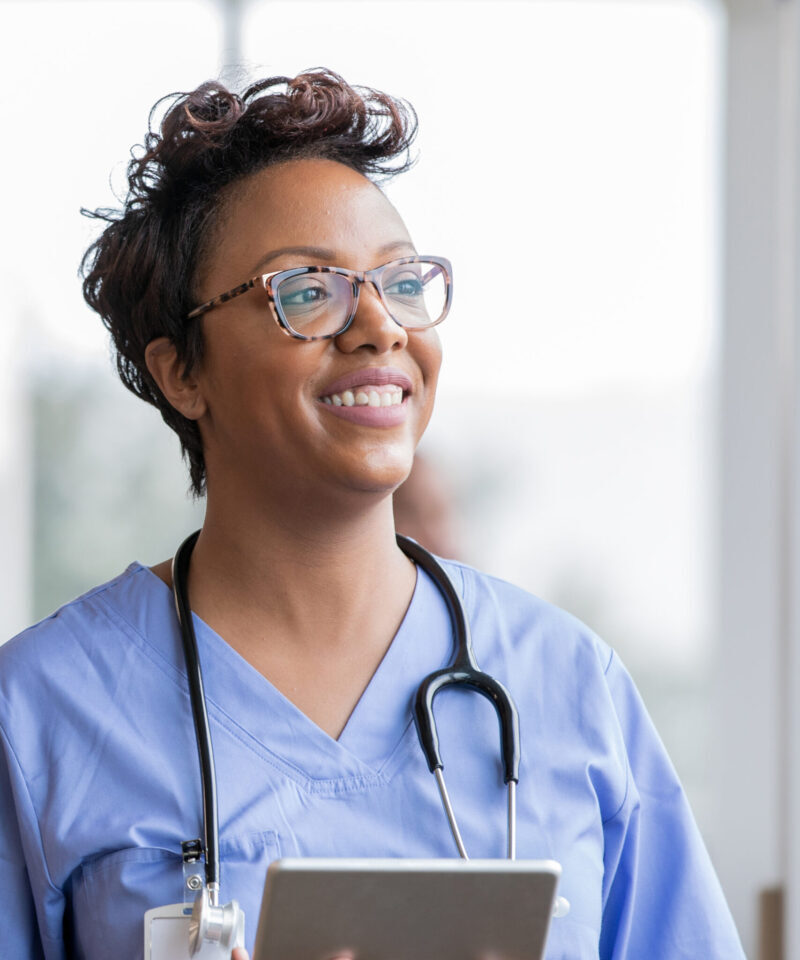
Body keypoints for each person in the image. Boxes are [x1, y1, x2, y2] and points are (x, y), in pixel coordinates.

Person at [0, 69, 745, 960]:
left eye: (399, 281)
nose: (380, 326)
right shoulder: (43, 711)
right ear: (180, 372)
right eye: (308, 291)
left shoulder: (569, 687)